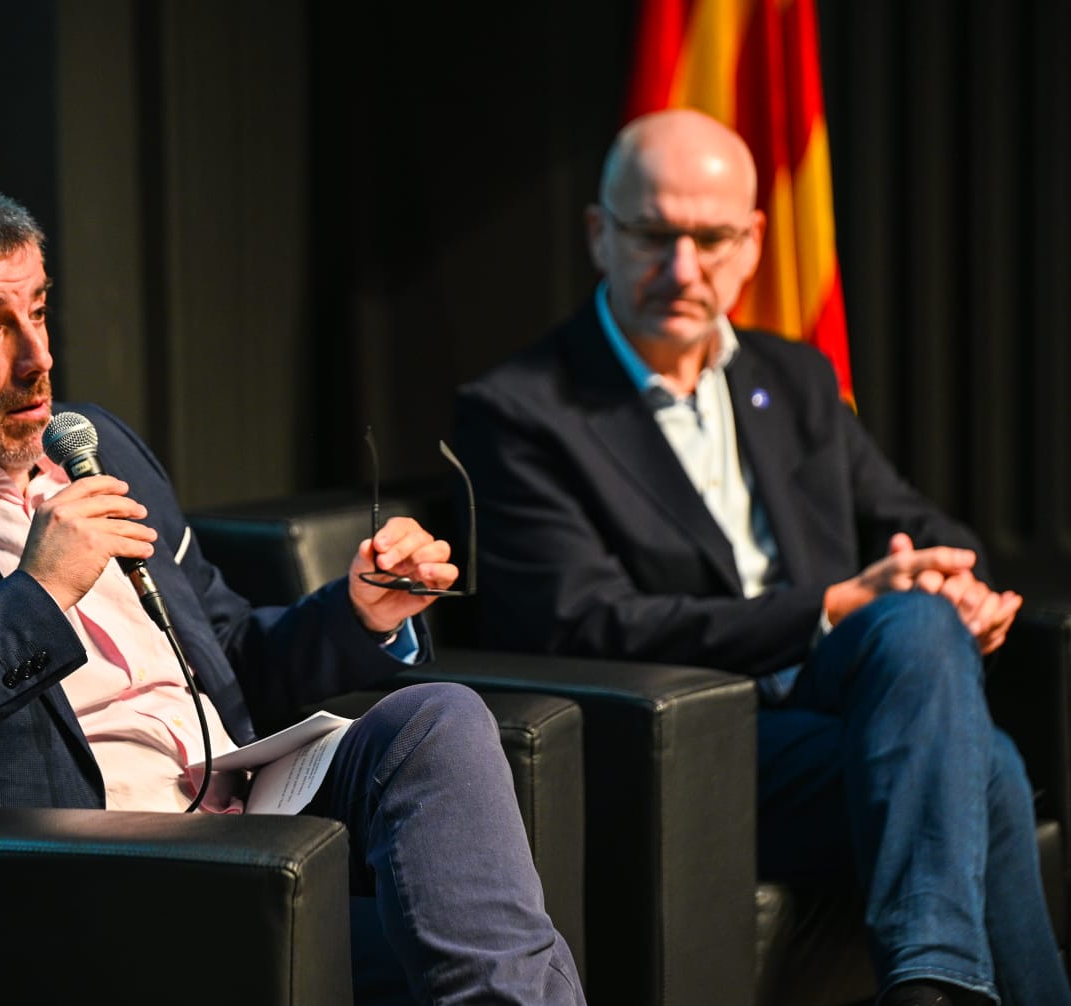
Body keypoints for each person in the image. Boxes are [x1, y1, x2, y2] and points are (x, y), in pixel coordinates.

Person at [0, 175, 583, 1004]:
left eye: (38, 310)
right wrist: (40, 593)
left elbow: (230, 654)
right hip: (111, 867)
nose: (40, 358)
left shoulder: (94, 444)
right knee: (498, 959)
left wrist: (360, 608)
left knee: (439, 717)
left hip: (252, 811)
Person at [452, 109, 1068, 1006]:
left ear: (752, 242)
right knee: (985, 763)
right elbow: (575, 622)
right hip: (690, 740)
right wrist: (827, 608)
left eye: (711, 238)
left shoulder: (797, 379)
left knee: (919, 621)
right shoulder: (519, 411)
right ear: (599, 235)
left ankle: (930, 989)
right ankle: (934, 984)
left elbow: (918, 523)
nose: (684, 269)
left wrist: (955, 580)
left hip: (843, 706)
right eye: (654, 235)